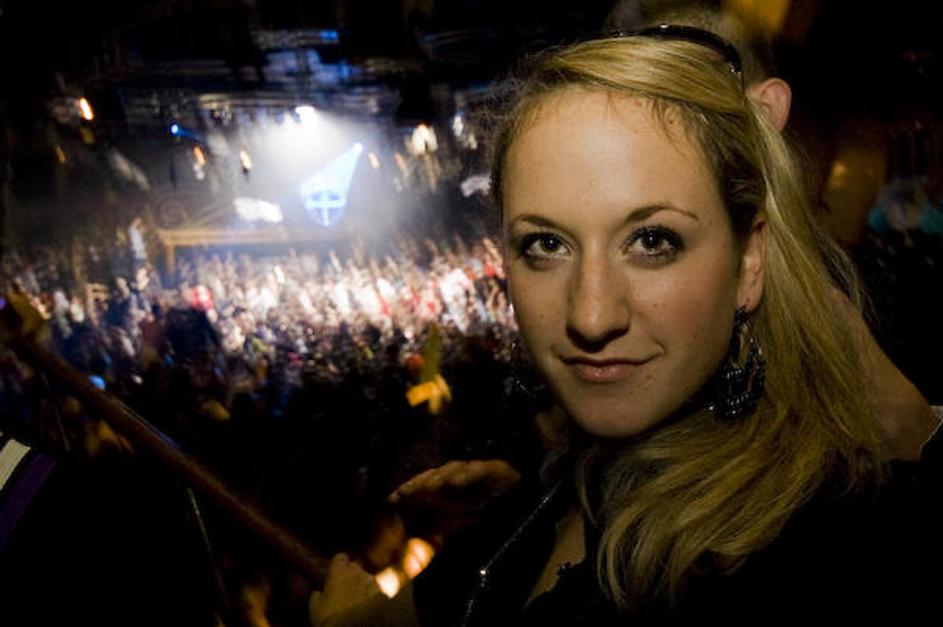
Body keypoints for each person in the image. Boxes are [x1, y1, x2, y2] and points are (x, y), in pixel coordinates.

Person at [309, 25, 940, 627]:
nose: (591, 316)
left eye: (653, 240)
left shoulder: (813, 552)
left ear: (749, 261)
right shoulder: (565, 486)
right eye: (546, 244)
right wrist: (518, 523)